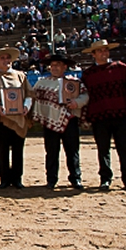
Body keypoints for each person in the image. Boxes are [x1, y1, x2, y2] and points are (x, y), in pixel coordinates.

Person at [81, 39, 126, 191]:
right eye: (100, 51)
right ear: (93, 54)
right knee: (103, 149)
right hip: (99, 117)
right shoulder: (88, 74)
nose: (104, 53)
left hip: (122, 115)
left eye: (106, 50)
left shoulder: (121, 68)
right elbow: (85, 95)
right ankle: (105, 179)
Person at [32, 54, 89, 189]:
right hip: (49, 121)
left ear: (65, 66)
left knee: (72, 151)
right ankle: (51, 179)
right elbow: (34, 99)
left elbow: (85, 95)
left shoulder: (74, 82)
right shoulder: (42, 83)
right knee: (51, 151)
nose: (54, 67)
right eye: (52, 65)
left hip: (70, 120)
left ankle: (75, 178)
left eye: (58, 64)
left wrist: (77, 103)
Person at [0, 47, 34, 189]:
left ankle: (17, 178)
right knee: (2, 149)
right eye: (2, 58)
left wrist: (26, 106)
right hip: (0, 119)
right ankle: (4, 179)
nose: (6, 61)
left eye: (8, 58)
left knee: (18, 150)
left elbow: (29, 94)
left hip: (19, 118)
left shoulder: (20, 76)